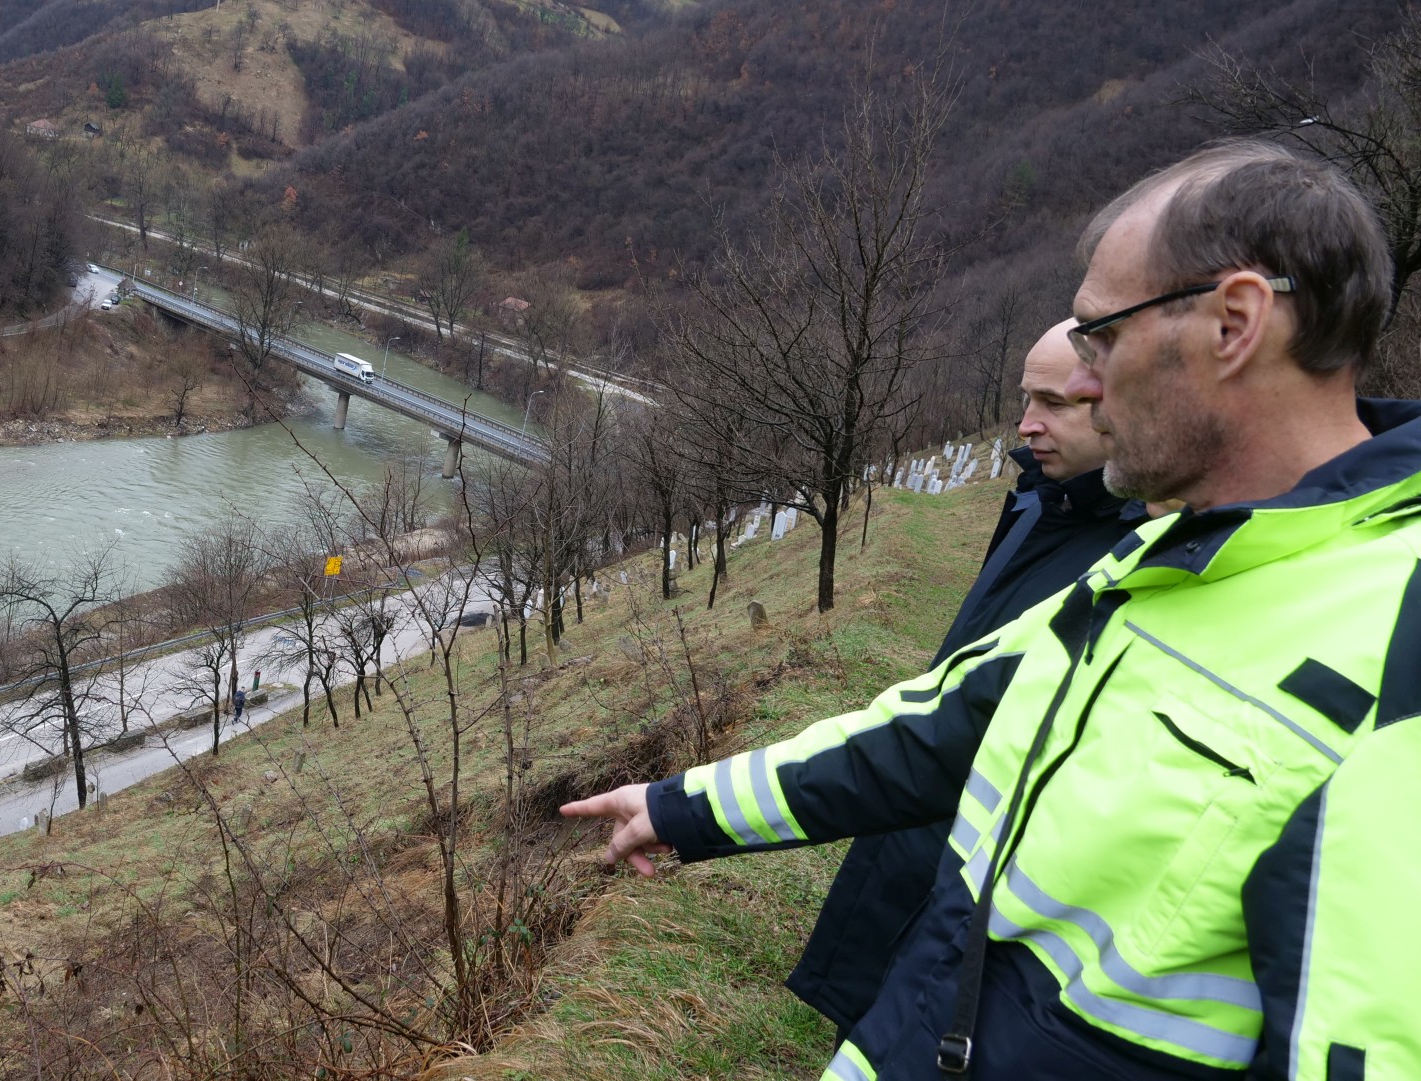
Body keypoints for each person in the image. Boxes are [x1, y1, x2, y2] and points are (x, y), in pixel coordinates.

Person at [563, 139, 1416, 1079]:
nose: (1085, 383)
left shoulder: (1397, 655)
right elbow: (938, 727)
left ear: (1234, 322)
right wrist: (684, 806)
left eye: (1101, 337)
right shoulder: (1167, 554)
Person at [787, 320, 1155, 1043]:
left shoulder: (1140, 559)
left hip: (984, 890)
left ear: (1129, 400)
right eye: (1026, 398)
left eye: (1053, 402)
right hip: (918, 826)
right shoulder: (1038, 501)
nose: (1026, 423)